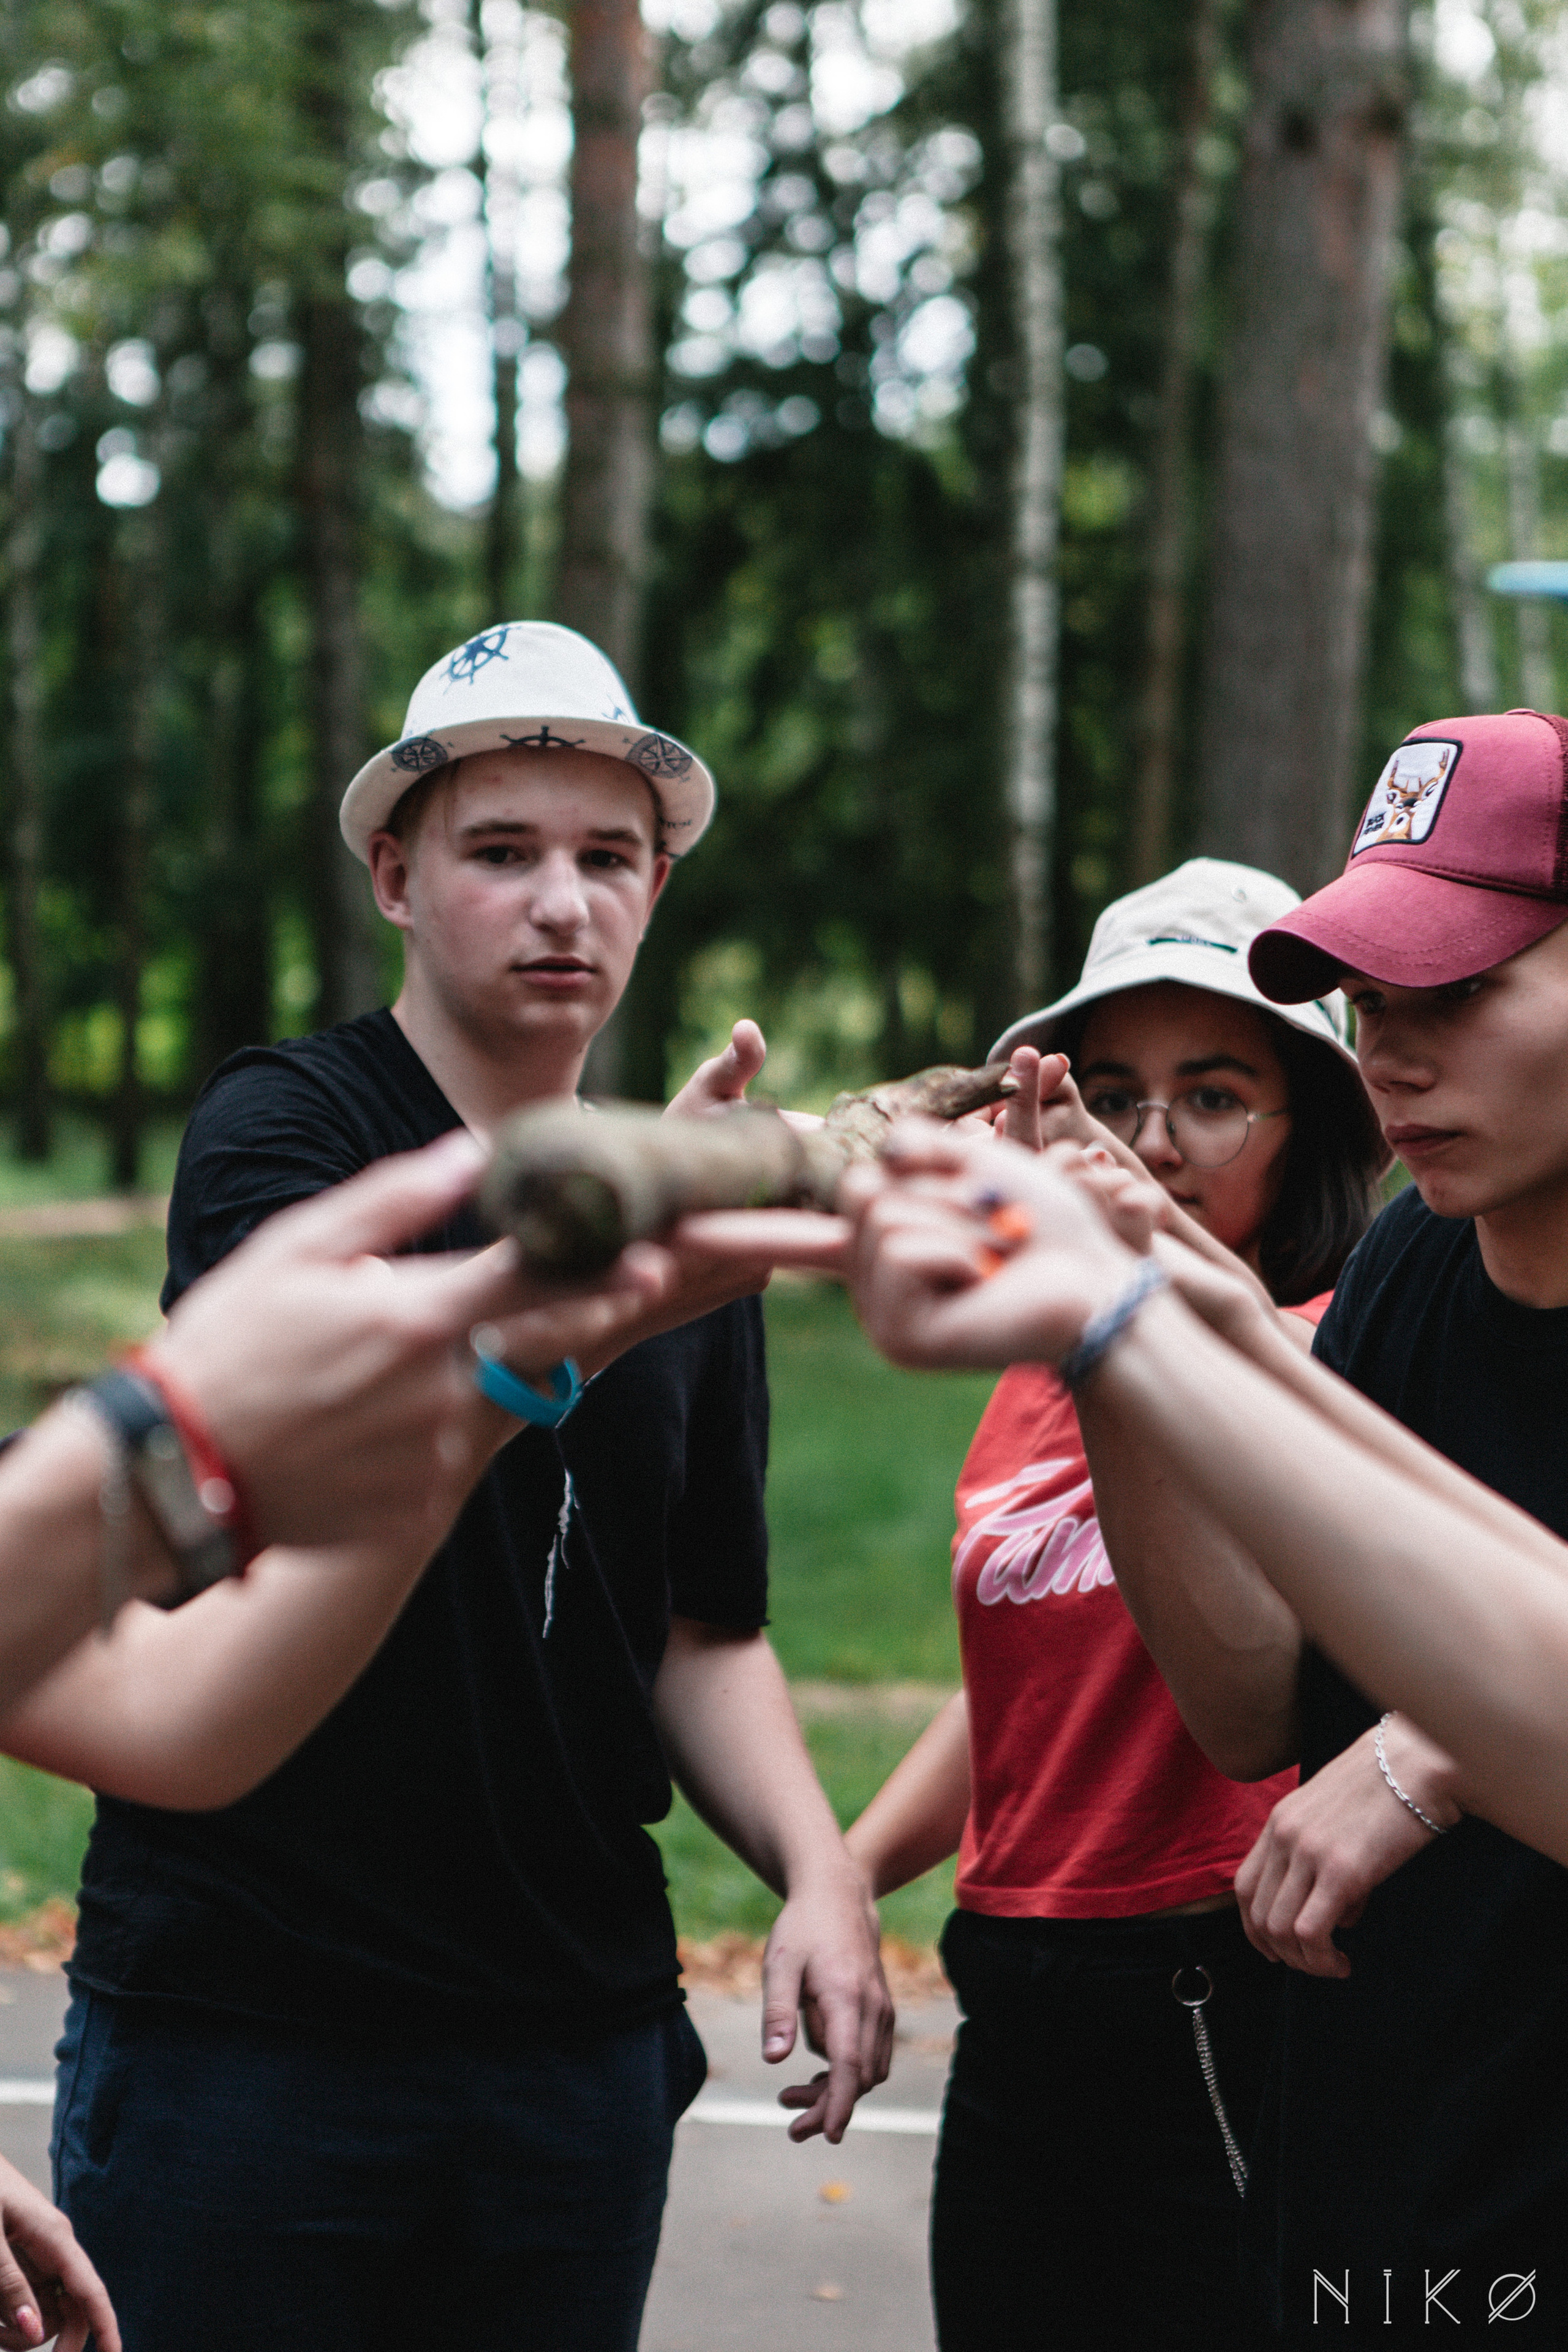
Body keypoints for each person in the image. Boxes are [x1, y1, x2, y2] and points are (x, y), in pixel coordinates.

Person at [14, 622, 890, 2352]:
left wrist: (819, 1867)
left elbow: (702, 1630)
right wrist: (584, 1304)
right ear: (397, 877)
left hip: (572, 2044)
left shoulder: (685, 1209)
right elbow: (311, 1447)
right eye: (503, 854)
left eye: (606, 858)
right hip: (254, 2031)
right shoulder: (289, 1131)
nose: (562, 903)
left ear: (653, 889)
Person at [693, 708, 1568, 2342]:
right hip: (1361, 2135)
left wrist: (1416, 1765)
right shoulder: (1407, 1279)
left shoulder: (1337, 1288)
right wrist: (1112, 1327)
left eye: (1454, 990)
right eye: (1373, 997)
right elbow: (1251, 1701)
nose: (1395, 1048)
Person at [834, 861, 1387, 2350]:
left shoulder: (1335, 1354)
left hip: (1214, 1988)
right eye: (1116, 1093)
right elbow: (1037, 1665)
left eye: (1212, 1096)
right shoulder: (1040, 1365)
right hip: (1013, 1982)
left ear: (1310, 1125)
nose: (1151, 1143)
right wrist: (841, 1874)